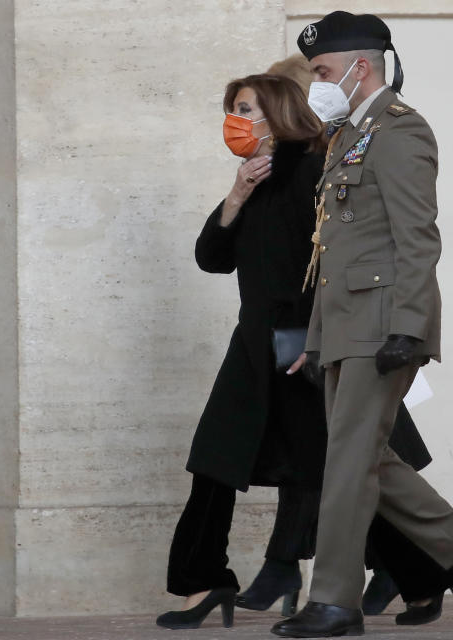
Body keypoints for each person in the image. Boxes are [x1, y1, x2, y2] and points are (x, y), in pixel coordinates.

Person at [272, 12, 453, 637]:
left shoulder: (400, 132)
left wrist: (410, 327)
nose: (316, 83)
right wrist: (317, 341)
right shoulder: (349, 136)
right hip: (346, 327)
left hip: (380, 325)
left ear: (358, 67)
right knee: (366, 459)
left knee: (347, 464)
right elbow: (333, 249)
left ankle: (335, 602)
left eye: (321, 71)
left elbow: (417, 238)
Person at [156, 73, 333, 631]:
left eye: (245, 108)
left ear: (276, 114)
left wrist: (317, 335)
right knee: (213, 458)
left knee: (324, 467)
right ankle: (203, 580)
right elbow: (213, 258)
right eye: (232, 108)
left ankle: (417, 565)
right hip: (253, 342)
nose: (235, 119)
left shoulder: (310, 172)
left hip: (299, 341)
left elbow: (331, 266)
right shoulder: (254, 179)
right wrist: (236, 194)